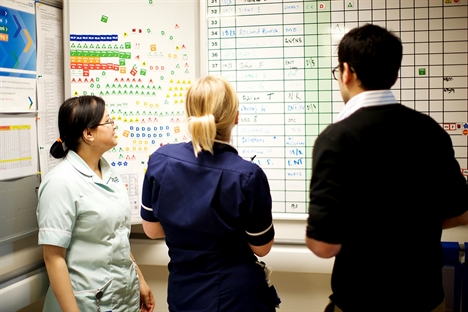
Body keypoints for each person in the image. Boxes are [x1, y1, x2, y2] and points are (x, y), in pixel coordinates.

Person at [305, 24, 468, 312]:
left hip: (361, 301)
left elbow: (323, 246)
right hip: (425, 300)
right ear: (394, 74)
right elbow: (461, 212)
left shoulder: (335, 139)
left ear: (346, 71)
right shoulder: (430, 131)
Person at [140, 75, 278, 312]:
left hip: (184, 294)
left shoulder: (160, 161)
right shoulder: (247, 175)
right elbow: (261, 247)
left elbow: (152, 230)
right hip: (237, 298)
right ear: (235, 117)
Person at [36, 95, 155, 312]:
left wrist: (140, 280)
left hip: (123, 297)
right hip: (86, 303)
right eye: (108, 121)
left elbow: (118, 236)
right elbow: (53, 258)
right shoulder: (60, 183)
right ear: (88, 134)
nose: (113, 125)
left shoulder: (109, 173)